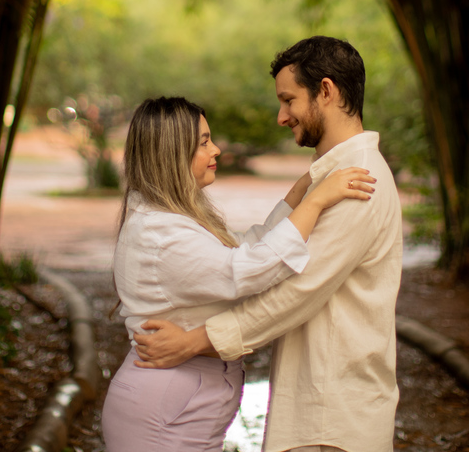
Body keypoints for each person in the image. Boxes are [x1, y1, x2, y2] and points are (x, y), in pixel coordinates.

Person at [133, 37, 403, 452]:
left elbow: (296, 292)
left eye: (288, 100)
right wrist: (301, 197)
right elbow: (262, 256)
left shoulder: (359, 181)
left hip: (333, 421)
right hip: (319, 410)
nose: (282, 116)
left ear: (326, 91)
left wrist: (194, 341)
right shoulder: (330, 178)